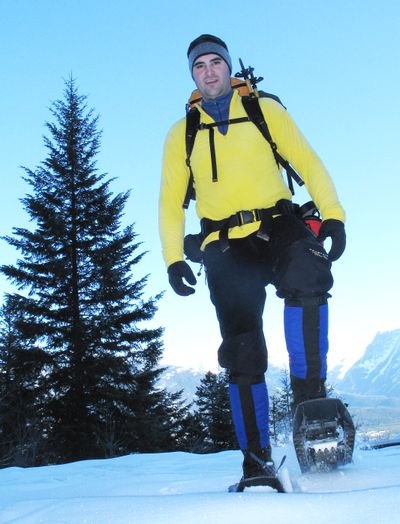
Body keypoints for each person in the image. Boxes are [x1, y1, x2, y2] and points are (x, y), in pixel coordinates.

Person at [159, 34, 346, 484]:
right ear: (193, 75)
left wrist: (334, 216)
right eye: (199, 65)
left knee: (308, 271)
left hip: (278, 225)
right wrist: (173, 258)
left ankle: (310, 398)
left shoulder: (264, 110)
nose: (208, 71)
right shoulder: (181, 133)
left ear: (228, 67)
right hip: (224, 244)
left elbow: (309, 161)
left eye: (215, 62)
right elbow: (169, 202)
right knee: (242, 349)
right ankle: (256, 459)